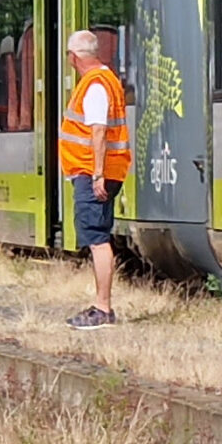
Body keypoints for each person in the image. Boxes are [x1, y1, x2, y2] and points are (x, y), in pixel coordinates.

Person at [59, 30, 128, 330]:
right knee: (97, 236)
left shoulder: (96, 85)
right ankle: (101, 305)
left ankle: (103, 308)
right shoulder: (106, 80)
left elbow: (98, 131)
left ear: (74, 57)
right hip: (98, 171)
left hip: (94, 174)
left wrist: (97, 174)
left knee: (97, 239)